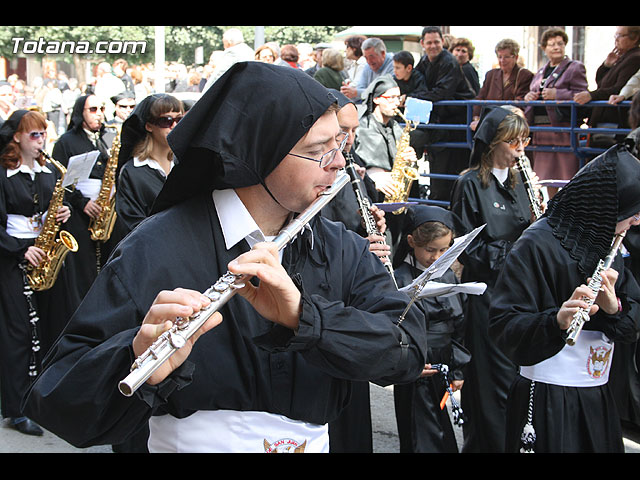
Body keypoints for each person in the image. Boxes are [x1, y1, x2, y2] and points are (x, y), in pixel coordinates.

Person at [22, 61, 428, 453]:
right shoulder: (156, 246)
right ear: (259, 150)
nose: (338, 163)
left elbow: (407, 350)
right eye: (320, 149)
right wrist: (134, 358)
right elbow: (58, 399)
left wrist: (305, 317)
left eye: (339, 144)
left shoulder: (342, 246)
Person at [488, 144, 640, 453]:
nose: (636, 221)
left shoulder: (607, 242)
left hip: (597, 395)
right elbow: (503, 327)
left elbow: (632, 323)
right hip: (546, 397)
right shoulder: (536, 243)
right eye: (630, 211)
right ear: (605, 206)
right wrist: (557, 320)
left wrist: (614, 309)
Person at [450, 105, 538, 453]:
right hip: (487, 294)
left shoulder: (521, 183)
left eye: (524, 140)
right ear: (493, 143)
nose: (521, 149)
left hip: (520, 294)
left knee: (517, 379)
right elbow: (466, 247)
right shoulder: (469, 183)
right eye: (513, 141)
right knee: (489, 381)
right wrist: (516, 250)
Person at [0, 110, 73, 436]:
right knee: (18, 334)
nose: (41, 141)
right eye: (34, 135)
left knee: (49, 328)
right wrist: (19, 248)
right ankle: (15, 409)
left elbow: (46, 213)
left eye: (44, 134)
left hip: (44, 255)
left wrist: (62, 213)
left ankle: (42, 398)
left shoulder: (47, 172)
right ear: (16, 137)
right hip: (12, 256)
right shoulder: (3, 173)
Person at [392, 205, 470, 453]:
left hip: (443, 359)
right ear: (411, 242)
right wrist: (409, 361)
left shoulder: (447, 276)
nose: (437, 257)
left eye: (444, 250)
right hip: (418, 364)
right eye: (430, 250)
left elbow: (459, 325)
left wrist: (458, 368)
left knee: (440, 426)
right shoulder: (401, 279)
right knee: (420, 433)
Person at [51, 94, 118, 306]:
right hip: (80, 211)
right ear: (81, 113)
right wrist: (83, 203)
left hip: (105, 206)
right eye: (93, 109)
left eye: (101, 108)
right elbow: (63, 180)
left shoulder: (107, 136)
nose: (99, 114)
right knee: (84, 267)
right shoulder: (66, 141)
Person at [408, 26, 476, 203]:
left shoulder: (449, 61)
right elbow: (418, 84)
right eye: (429, 42)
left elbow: (441, 93)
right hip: (439, 120)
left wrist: (411, 97)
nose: (433, 46)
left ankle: (444, 206)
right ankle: (414, 195)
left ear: (443, 42)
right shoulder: (424, 61)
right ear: (422, 44)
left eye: (436, 42)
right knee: (436, 167)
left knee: (450, 171)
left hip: (455, 122)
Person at [353, 75, 419, 249]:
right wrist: (373, 176)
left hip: (395, 198)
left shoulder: (396, 127)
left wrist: (410, 160)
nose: (396, 102)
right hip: (372, 200)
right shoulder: (362, 127)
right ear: (376, 99)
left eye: (399, 97)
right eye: (391, 98)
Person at [524, 27, 588, 188]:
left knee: (567, 176)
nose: (556, 47)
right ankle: (551, 209)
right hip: (541, 130)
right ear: (544, 48)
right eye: (551, 44)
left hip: (562, 129)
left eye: (560, 43)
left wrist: (558, 94)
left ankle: (568, 211)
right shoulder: (540, 71)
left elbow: (582, 94)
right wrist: (529, 96)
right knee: (545, 178)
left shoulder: (575, 67)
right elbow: (534, 91)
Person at [115, 93, 184, 235]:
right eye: (166, 121)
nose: (174, 126)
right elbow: (133, 225)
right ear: (149, 126)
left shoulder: (183, 164)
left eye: (179, 119)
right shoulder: (132, 172)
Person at [575, 26, 640, 149]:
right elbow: (601, 82)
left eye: (620, 35)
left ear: (634, 38)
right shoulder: (623, 57)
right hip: (603, 119)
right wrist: (607, 66)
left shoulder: (635, 58)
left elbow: (620, 88)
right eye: (616, 36)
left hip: (615, 120)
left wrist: (591, 95)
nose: (616, 40)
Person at [471, 39, 534, 131]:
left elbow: (521, 101)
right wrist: (476, 117)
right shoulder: (491, 74)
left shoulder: (524, 75)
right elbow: (481, 97)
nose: (502, 60)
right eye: (499, 57)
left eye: (506, 57)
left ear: (515, 57)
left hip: (511, 124)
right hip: (490, 121)